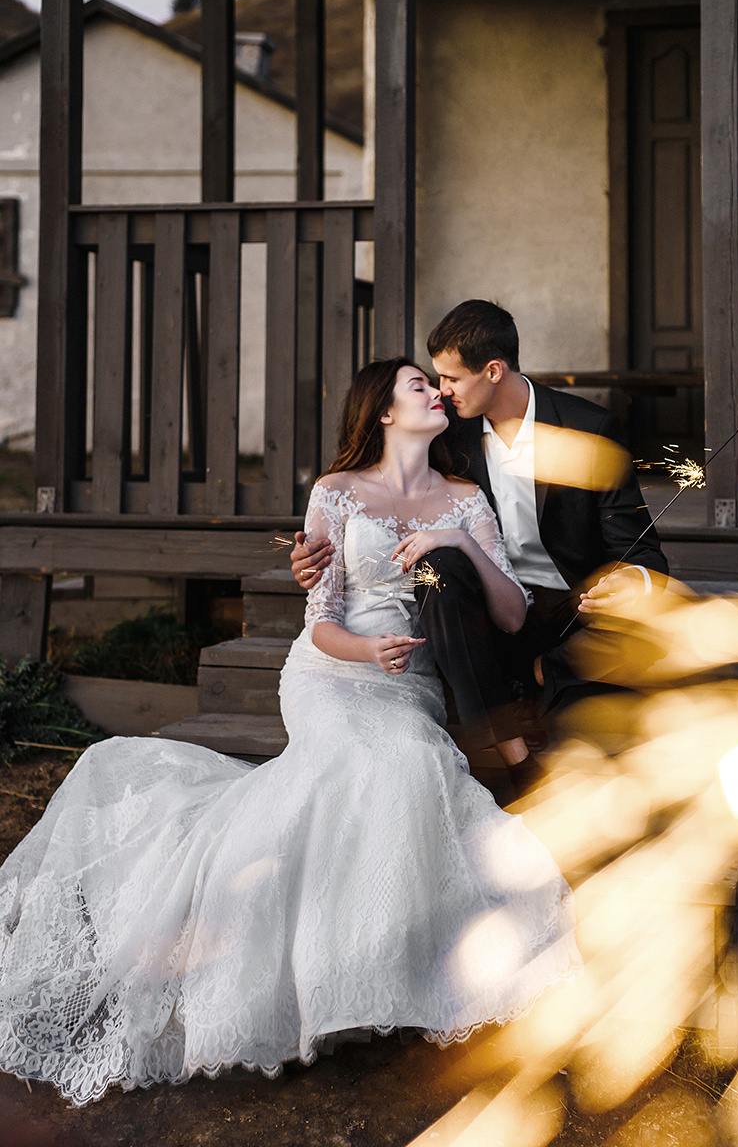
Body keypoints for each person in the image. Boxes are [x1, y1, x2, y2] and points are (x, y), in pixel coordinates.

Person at [0, 358, 579, 1107]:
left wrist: (461, 544)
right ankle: (319, 975)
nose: (436, 393)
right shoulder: (336, 492)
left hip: (410, 683)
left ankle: (371, 966)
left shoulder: (465, 498)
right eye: (418, 385)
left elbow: (509, 611)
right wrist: (365, 651)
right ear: (382, 411)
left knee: (407, 760)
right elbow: (323, 621)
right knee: (362, 764)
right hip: (332, 674)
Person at [292, 301, 668, 786]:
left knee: (642, 645)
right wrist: (313, 560)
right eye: (433, 380)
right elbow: (382, 500)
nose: (441, 390)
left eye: (450, 378)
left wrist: (630, 582)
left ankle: (540, 675)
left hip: (573, 611)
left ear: (493, 371)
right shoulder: (449, 432)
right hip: (478, 615)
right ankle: (511, 737)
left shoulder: (587, 429)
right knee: (442, 564)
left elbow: (641, 552)